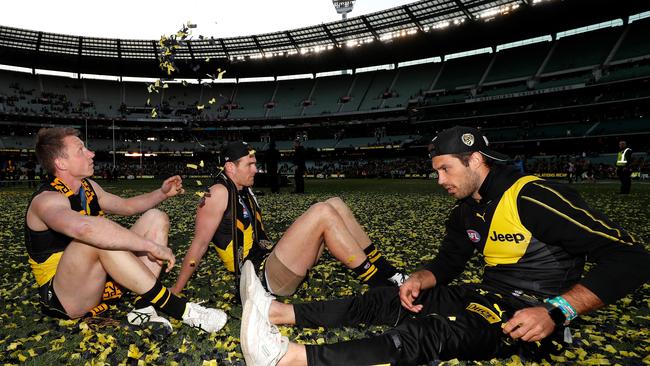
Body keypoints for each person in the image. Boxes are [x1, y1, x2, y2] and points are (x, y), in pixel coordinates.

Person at [240, 126, 650, 366]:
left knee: (431, 333)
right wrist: (422, 277)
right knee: (388, 300)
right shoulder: (467, 209)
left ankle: (291, 358)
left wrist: (558, 310)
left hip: (530, 313)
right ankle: (278, 311)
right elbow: (450, 262)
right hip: (486, 294)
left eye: (445, 169)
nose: (439, 180)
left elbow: (632, 258)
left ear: (475, 160)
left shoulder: (532, 197)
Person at [25, 127, 227, 334]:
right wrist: (150, 247)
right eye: (81, 150)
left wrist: (162, 193)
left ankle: (142, 308)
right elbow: (86, 228)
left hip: (99, 285)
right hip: (65, 298)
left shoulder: (88, 187)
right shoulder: (46, 200)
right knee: (97, 237)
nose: (91, 153)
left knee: (156, 218)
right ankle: (181, 310)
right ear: (61, 163)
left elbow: (127, 206)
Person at [171, 141, 406, 298]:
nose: (256, 169)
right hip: (260, 278)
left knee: (335, 204)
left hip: (273, 261)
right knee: (322, 212)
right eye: (250, 164)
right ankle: (382, 287)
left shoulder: (241, 188)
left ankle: (390, 273)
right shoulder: (218, 193)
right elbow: (198, 245)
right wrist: (176, 290)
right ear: (231, 167)